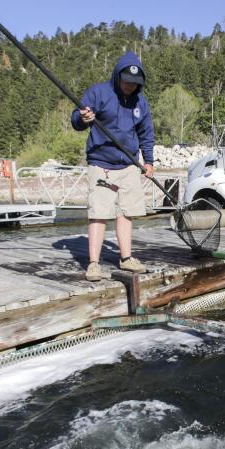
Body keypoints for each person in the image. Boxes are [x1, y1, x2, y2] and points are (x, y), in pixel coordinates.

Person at [71, 52, 155, 281]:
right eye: (127, 81)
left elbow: (146, 133)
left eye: (135, 84)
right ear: (118, 76)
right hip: (101, 163)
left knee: (127, 212)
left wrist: (148, 161)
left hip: (129, 165)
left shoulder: (141, 102)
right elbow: (76, 120)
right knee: (98, 214)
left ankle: (126, 258)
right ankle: (94, 264)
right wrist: (83, 118)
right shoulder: (99, 93)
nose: (130, 86)